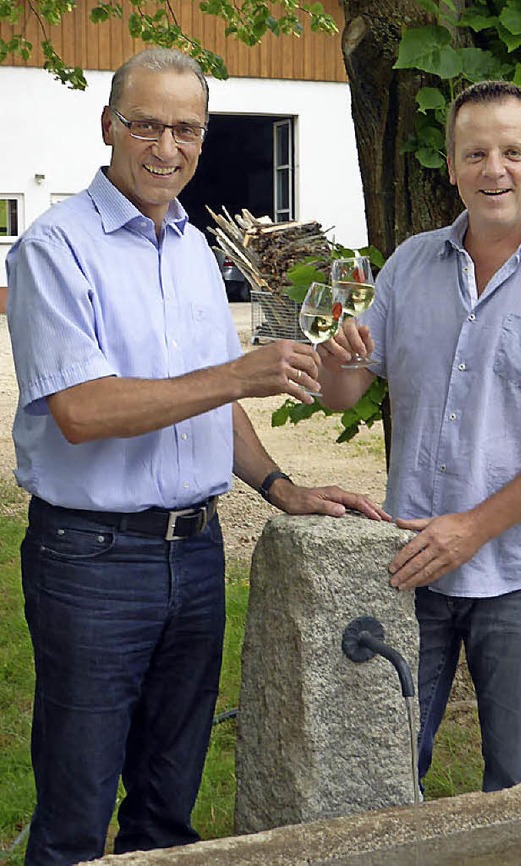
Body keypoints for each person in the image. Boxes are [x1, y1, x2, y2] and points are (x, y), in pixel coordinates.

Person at [6, 48, 389, 866]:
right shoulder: (53, 248)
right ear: (108, 126)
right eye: (146, 124)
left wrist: (281, 487)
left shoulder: (187, 246)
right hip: (91, 560)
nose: (165, 146)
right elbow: (82, 410)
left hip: (196, 552)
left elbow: (211, 405)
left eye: (185, 128)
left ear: (203, 137)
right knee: (76, 813)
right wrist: (237, 372)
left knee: (169, 805)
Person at [318, 81, 521, 794]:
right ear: (453, 166)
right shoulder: (405, 267)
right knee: (385, 772)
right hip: (413, 562)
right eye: (477, 153)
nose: (496, 168)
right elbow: (346, 388)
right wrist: (335, 358)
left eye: (513, 152)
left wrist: (472, 529)